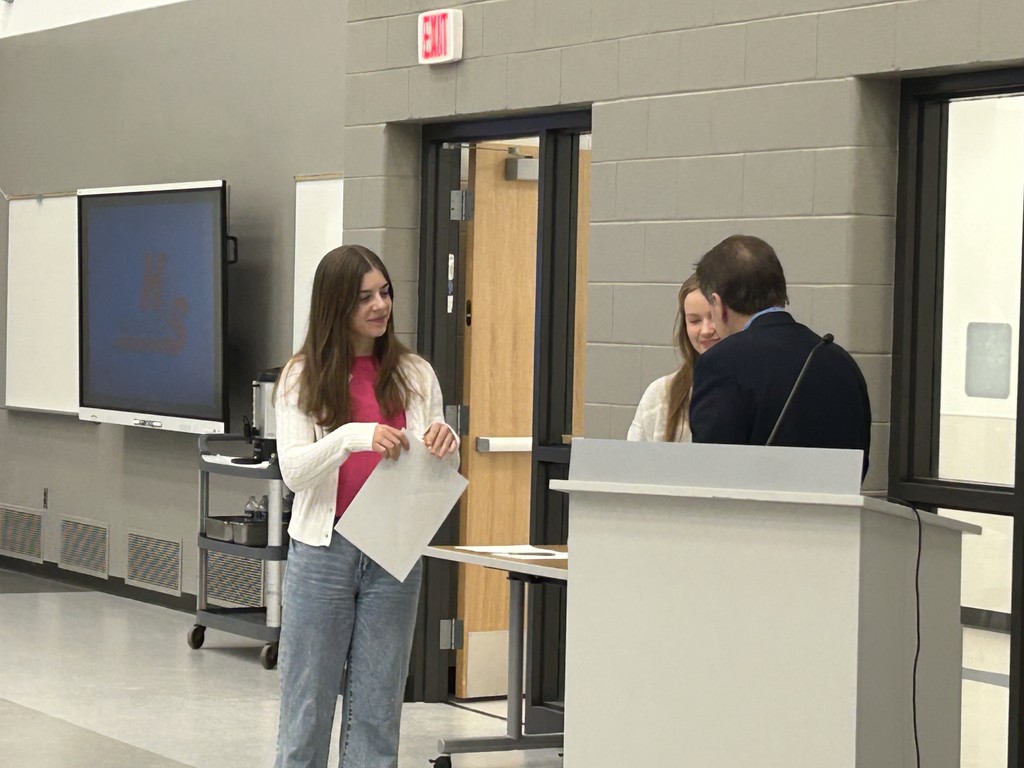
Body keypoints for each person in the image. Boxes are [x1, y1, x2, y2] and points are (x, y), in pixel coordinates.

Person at [273, 244, 459, 768]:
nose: (380, 306)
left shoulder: (416, 374)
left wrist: (447, 444)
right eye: (364, 298)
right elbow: (294, 472)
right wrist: (355, 435)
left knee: (378, 707)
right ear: (336, 305)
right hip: (324, 552)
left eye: (385, 292)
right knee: (307, 706)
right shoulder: (301, 376)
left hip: (392, 550)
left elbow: (434, 464)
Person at [688, 235, 872, 479]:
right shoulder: (841, 361)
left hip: (753, 503)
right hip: (836, 503)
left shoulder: (721, 363)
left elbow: (710, 470)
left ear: (718, 304)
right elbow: (858, 465)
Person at [627, 274, 720, 441]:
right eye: (695, 321)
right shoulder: (660, 393)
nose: (706, 330)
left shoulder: (754, 390)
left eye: (713, 317)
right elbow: (633, 455)